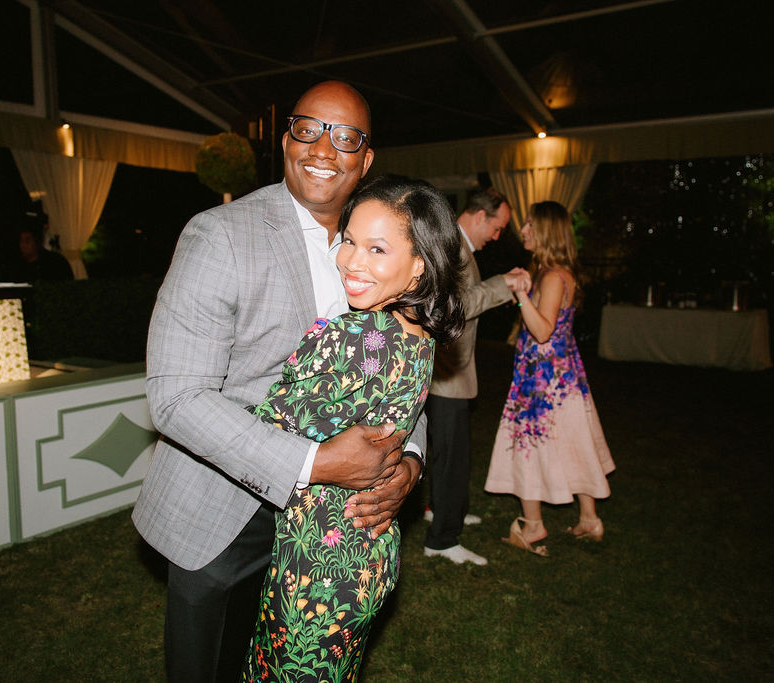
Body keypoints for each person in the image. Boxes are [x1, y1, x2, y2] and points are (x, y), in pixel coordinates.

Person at [132, 81, 427, 682]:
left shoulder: (383, 239)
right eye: (307, 129)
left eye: (346, 137)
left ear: (366, 160)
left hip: (332, 531)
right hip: (225, 510)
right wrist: (314, 463)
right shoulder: (220, 235)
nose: (323, 148)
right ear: (286, 141)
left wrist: (409, 460)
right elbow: (177, 396)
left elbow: (408, 363)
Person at [241, 174, 464, 682]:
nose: (350, 260)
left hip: (316, 568)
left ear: (418, 269)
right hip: (370, 556)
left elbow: (265, 428)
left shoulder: (352, 337)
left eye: (377, 249)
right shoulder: (421, 336)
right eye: (348, 240)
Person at [484, 200, 615, 557]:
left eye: (529, 224)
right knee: (573, 444)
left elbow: (542, 331)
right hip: (555, 377)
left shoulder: (555, 276)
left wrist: (521, 295)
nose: (523, 230)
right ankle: (589, 519)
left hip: (545, 383)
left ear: (546, 231)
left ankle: (534, 525)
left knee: (530, 446)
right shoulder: (548, 271)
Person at [423, 187, 524, 566]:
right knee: (452, 454)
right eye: (497, 228)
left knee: (449, 452)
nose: (496, 237)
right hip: (446, 371)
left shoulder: (459, 245)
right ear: (480, 216)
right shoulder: (453, 247)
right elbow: (455, 306)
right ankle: (443, 539)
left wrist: (501, 280)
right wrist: (503, 285)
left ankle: (443, 509)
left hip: (451, 369)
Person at [7, 225, 73, 282]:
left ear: (37, 242)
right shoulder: (18, 266)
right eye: (21, 241)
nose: (24, 245)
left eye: (27, 241)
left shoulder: (55, 262)